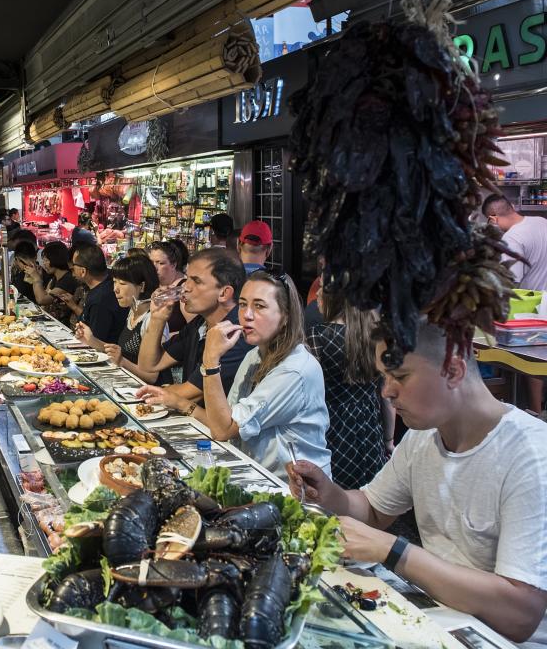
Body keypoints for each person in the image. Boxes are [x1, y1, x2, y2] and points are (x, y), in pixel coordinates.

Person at [288, 320, 547, 645]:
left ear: (452, 371)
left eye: (400, 376)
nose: (386, 391)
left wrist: (394, 551)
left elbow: (520, 613)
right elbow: (372, 509)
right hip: (440, 618)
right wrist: (328, 494)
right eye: (384, 377)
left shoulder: (532, 456)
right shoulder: (423, 437)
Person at [141, 270, 331, 477]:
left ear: (285, 316)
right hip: (255, 475)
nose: (247, 315)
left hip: (296, 493)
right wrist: (179, 402)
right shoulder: (254, 356)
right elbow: (224, 419)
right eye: (242, 304)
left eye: (259, 306)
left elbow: (223, 430)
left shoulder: (294, 371)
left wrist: (211, 360)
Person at [135, 249, 251, 395]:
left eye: (196, 281)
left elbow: (191, 392)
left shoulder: (235, 334)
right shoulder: (200, 324)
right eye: (187, 278)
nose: (186, 287)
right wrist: (157, 319)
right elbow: (148, 365)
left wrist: (148, 392)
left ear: (224, 293)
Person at [307, 286, 391, 488]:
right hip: (370, 431)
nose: (317, 293)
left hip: (332, 432)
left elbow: (308, 395)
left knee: (334, 502)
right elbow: (386, 397)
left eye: (323, 288)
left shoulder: (317, 336)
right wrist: (388, 440)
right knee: (369, 499)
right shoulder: (377, 335)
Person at [482, 193, 547, 414]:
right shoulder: (540, 222)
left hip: (531, 312)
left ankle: (535, 413)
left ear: (493, 218)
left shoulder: (512, 240)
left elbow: (509, 283)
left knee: (530, 364)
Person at [87, 255, 173, 385]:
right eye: (114, 282)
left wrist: (122, 362)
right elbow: (117, 354)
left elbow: (152, 377)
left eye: (122, 283)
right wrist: (90, 339)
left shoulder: (153, 319)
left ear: (142, 286)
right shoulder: (133, 310)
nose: (115, 289)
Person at [483, 194, 547, 290]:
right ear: (512, 207)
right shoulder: (542, 221)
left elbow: (511, 282)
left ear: (493, 219)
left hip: (532, 302)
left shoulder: (511, 238)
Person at [66, 244, 127, 344]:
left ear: (83, 271)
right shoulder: (107, 282)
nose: (71, 269)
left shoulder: (101, 299)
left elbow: (94, 341)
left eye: (73, 266)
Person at [148, 240, 192, 334]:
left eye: (160, 263)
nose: (154, 267)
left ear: (173, 265)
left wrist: (167, 338)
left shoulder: (184, 289)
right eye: (151, 262)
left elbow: (194, 329)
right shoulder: (153, 284)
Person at [32, 241, 80, 324]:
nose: (44, 263)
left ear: (55, 259)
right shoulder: (55, 278)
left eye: (46, 260)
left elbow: (42, 300)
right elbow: (43, 302)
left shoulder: (68, 279)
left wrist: (36, 279)